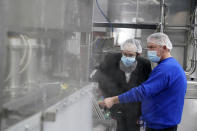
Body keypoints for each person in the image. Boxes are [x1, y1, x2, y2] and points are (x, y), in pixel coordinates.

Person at [99, 33, 187, 131]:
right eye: (148, 48)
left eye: (152, 47)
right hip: (159, 122)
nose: (149, 51)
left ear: (165, 48)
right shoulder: (169, 66)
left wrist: (113, 100)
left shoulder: (166, 69)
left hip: (161, 126)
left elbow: (142, 91)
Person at [93, 39, 152, 131]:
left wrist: (144, 112)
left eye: (131, 55)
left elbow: (147, 89)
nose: (127, 57)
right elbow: (99, 78)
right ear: (121, 52)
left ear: (138, 55)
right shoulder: (110, 60)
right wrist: (101, 99)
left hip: (134, 110)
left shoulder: (145, 65)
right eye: (124, 54)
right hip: (113, 108)